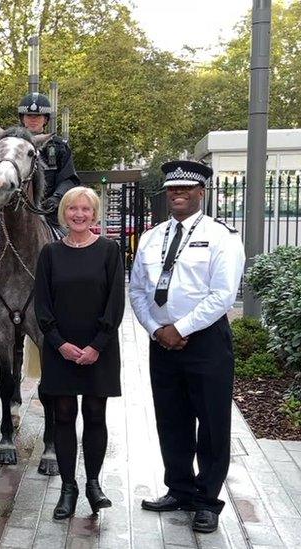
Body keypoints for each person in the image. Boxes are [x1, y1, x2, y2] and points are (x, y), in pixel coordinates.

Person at [130, 160, 245, 534]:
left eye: (185, 189)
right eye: (172, 189)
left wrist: (180, 328)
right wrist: (155, 329)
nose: (177, 194)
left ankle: (207, 500)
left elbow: (223, 294)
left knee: (211, 422)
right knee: (171, 418)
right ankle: (178, 488)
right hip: (161, 341)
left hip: (205, 341)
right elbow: (137, 290)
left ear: (201, 192)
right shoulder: (150, 237)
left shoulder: (222, 236)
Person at [33, 187, 125, 519]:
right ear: (64, 213)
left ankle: (94, 484)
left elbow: (115, 301)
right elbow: (42, 303)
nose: (79, 214)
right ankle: (68, 488)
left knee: (96, 416)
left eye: (86, 209)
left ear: (94, 213)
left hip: (99, 349)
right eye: (73, 209)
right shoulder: (50, 254)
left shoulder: (109, 251)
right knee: (64, 415)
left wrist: (96, 346)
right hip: (62, 349)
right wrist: (59, 343)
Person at [0, 91, 81, 312]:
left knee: (68, 247)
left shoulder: (58, 147)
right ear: (22, 118)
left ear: (45, 120)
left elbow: (69, 179)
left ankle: (71, 293)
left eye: (38, 116)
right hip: (9, 212)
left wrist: (56, 199)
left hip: (46, 213)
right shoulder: (8, 145)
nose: (33, 119)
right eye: (28, 116)